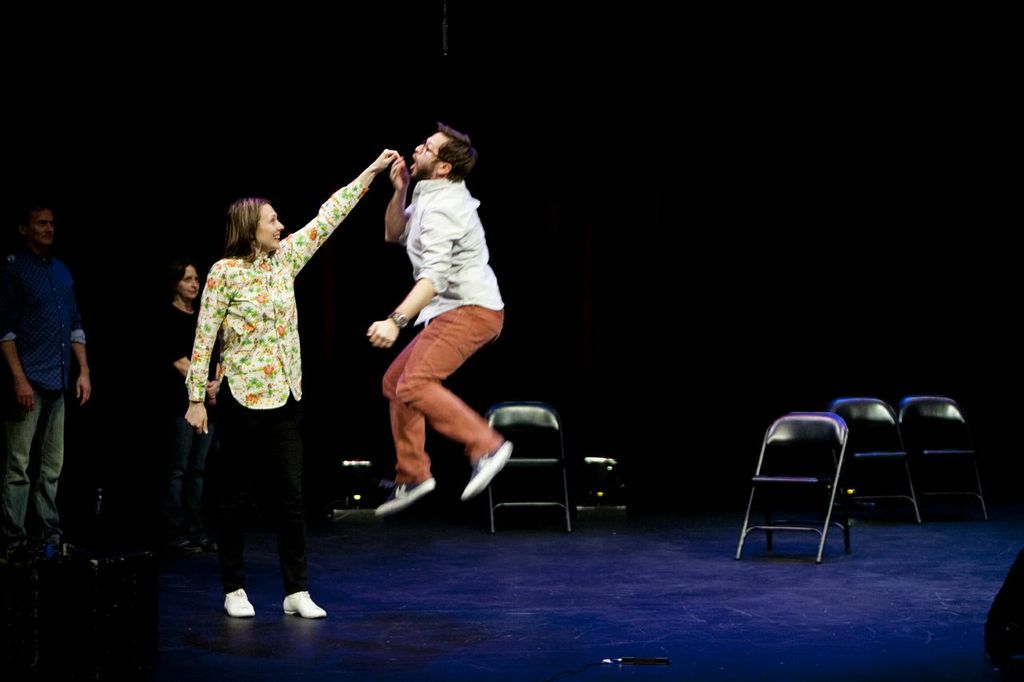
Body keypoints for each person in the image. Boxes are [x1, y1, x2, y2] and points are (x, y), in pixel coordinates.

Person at [185, 149, 398, 619]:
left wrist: (372, 172)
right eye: (273, 220)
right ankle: (234, 588)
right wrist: (196, 397)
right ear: (251, 227)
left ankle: (296, 590)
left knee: (291, 497)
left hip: (285, 395)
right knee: (236, 496)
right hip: (241, 397)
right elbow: (204, 336)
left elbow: (330, 216)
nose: (281, 226)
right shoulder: (224, 273)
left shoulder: (285, 260)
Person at [368, 123, 512, 517]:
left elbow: (433, 277)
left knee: (414, 383)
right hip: (453, 311)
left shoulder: (446, 207)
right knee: (396, 383)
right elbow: (393, 234)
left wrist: (396, 321)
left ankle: (487, 444)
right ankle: (413, 473)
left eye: (428, 148)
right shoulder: (429, 195)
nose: (417, 148)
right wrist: (399, 193)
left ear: (444, 167)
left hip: (472, 310)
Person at [0, 205, 91, 556]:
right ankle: (14, 540)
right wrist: (19, 379)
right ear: (24, 228)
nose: (49, 228)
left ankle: (48, 536)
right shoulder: (14, 268)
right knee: (18, 465)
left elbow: (76, 324)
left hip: (59, 378)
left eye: (52, 223)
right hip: (30, 380)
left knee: (52, 466)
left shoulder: (61, 271)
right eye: (41, 223)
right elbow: (4, 330)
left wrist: (83, 371)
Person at [158, 258, 220, 553]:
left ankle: (198, 531)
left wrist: (216, 383)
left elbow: (219, 354)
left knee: (199, 469)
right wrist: (202, 382)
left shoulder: (204, 319)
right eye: (188, 279)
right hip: (179, 404)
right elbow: (179, 362)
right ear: (175, 284)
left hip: (208, 402)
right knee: (179, 469)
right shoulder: (168, 318)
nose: (195, 284)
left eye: (197, 279)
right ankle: (175, 533)